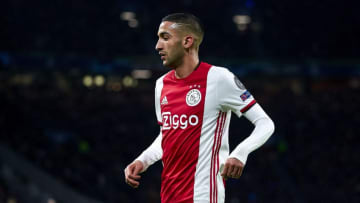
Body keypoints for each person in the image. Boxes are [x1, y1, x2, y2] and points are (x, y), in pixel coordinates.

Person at [124, 13, 275, 203]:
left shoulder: (219, 78)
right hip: (169, 196)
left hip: (204, 196)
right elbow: (167, 135)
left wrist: (240, 153)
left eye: (165, 37)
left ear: (187, 41)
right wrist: (142, 160)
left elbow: (265, 123)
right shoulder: (161, 85)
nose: (157, 46)